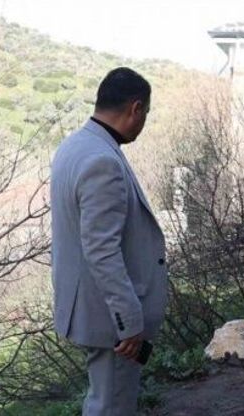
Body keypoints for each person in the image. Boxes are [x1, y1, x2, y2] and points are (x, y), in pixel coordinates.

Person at [51, 67, 167, 415]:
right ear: (136, 108)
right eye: (144, 113)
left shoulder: (74, 146)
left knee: (103, 400)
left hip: (87, 307)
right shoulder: (103, 160)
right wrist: (129, 320)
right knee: (111, 406)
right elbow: (101, 250)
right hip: (110, 318)